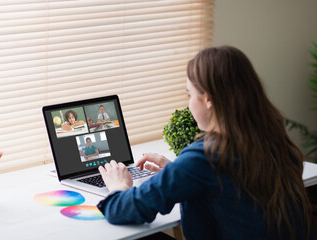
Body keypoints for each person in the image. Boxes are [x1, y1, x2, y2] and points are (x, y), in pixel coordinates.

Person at [97, 46, 313, 240]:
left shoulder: (205, 157)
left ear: (208, 99)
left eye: (190, 94)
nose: (189, 103)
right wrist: (177, 171)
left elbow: (123, 209)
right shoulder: (274, 141)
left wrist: (119, 186)